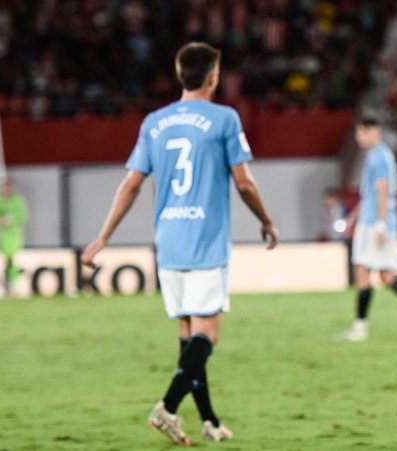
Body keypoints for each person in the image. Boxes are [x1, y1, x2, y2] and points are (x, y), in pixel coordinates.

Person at [80, 42, 279, 446]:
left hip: (168, 239)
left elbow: (131, 183)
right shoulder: (224, 118)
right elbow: (243, 182)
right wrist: (266, 220)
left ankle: (208, 421)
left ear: (179, 75)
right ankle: (167, 408)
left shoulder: (154, 122)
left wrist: (103, 236)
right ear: (213, 77)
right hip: (205, 238)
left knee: (189, 336)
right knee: (209, 335)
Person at [341, 117, 397, 342]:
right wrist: (353, 218)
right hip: (380, 220)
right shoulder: (382, 156)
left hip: (375, 223)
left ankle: (360, 328)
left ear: (375, 132)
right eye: (357, 133)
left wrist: (380, 224)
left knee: (362, 271)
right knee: (386, 275)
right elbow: (371, 194)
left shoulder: (377, 157)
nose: (359, 137)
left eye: (363, 132)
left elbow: (382, 190)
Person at [0, 179, 27, 297]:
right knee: (6, 261)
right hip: (3, 237)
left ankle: (15, 285)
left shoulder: (18, 201)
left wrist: (11, 221)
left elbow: (23, 217)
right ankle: (7, 286)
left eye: (8, 187)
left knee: (14, 260)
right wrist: (1, 220)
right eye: (4, 188)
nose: (6, 190)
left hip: (15, 236)